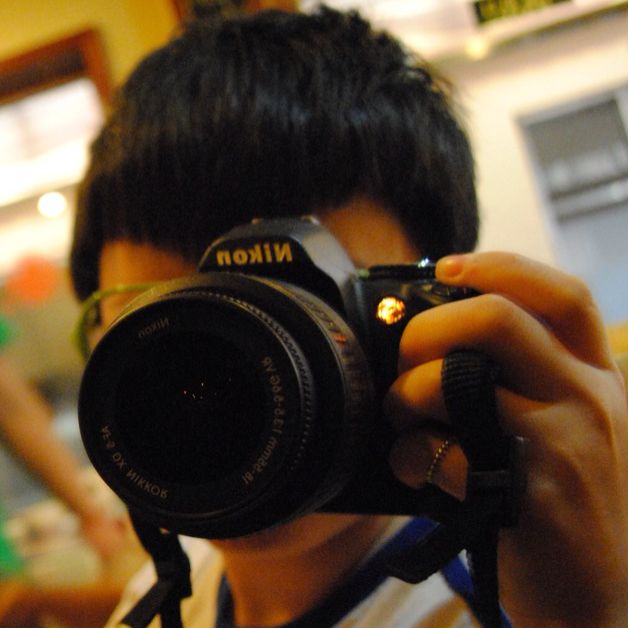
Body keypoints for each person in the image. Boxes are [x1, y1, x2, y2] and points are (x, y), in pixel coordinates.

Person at [69, 7, 628, 627]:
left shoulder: (529, 597)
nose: (226, 395)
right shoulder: (163, 592)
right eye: (173, 337)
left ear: (449, 306)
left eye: (312, 311)